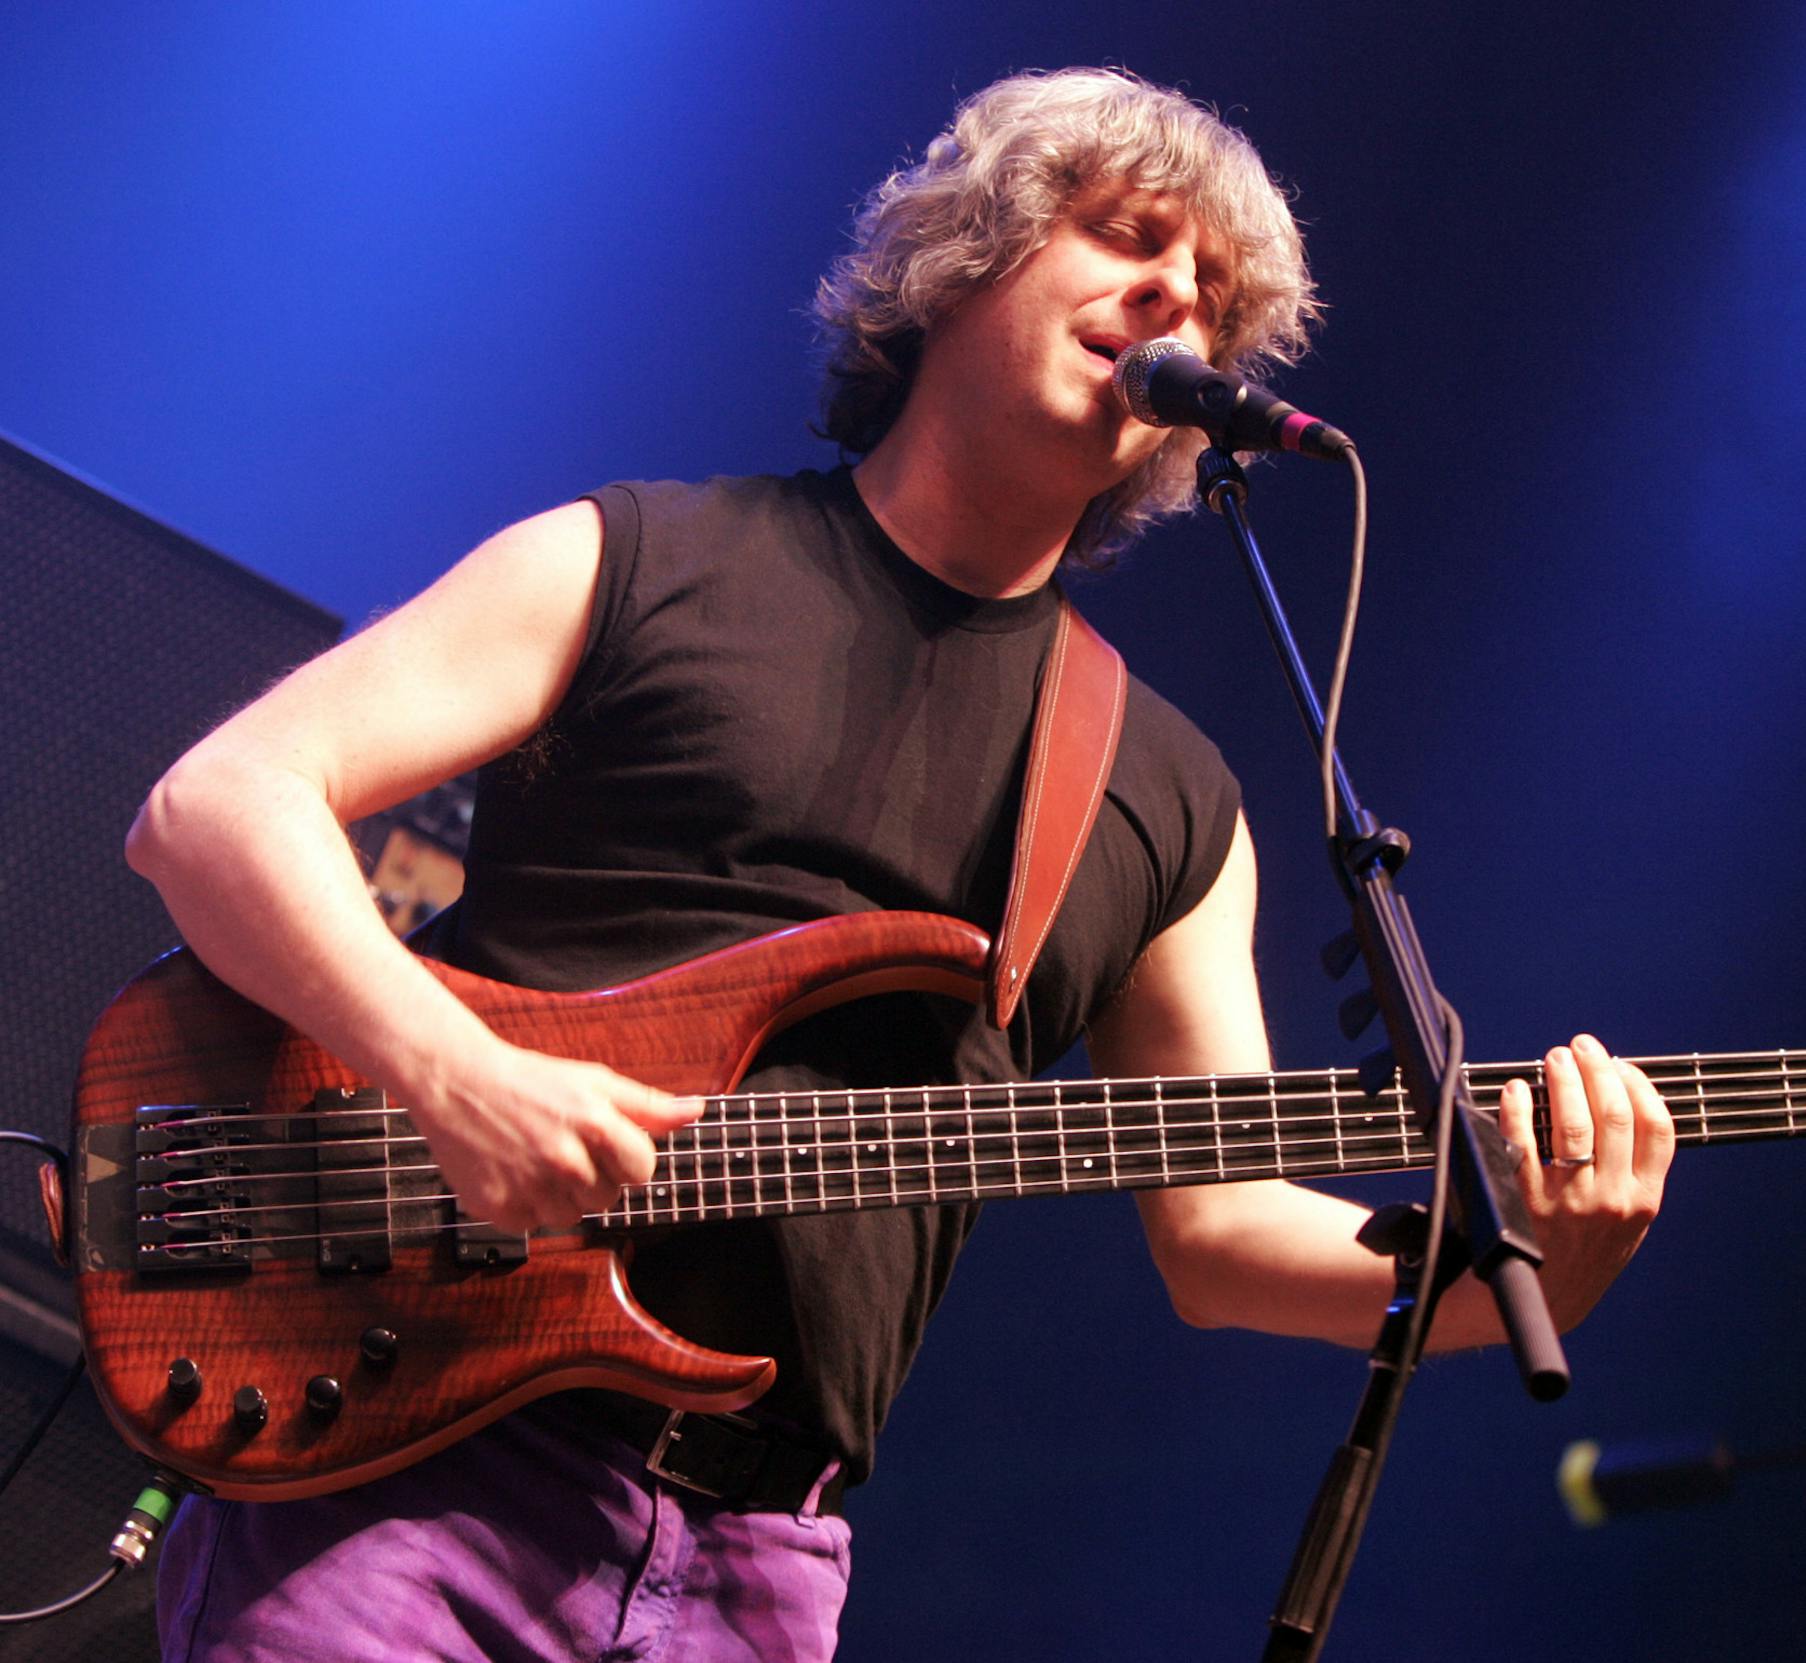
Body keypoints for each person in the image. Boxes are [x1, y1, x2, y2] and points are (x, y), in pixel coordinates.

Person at [125, 67, 1675, 1663]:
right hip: (417, 1451)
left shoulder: (1169, 798)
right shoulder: (641, 561)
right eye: (1126, 238)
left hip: (757, 1564)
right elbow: (219, 804)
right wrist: (450, 1070)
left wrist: (1519, 1274)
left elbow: (1221, 1243)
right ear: (960, 257)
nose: (1172, 300)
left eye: (1209, 294)